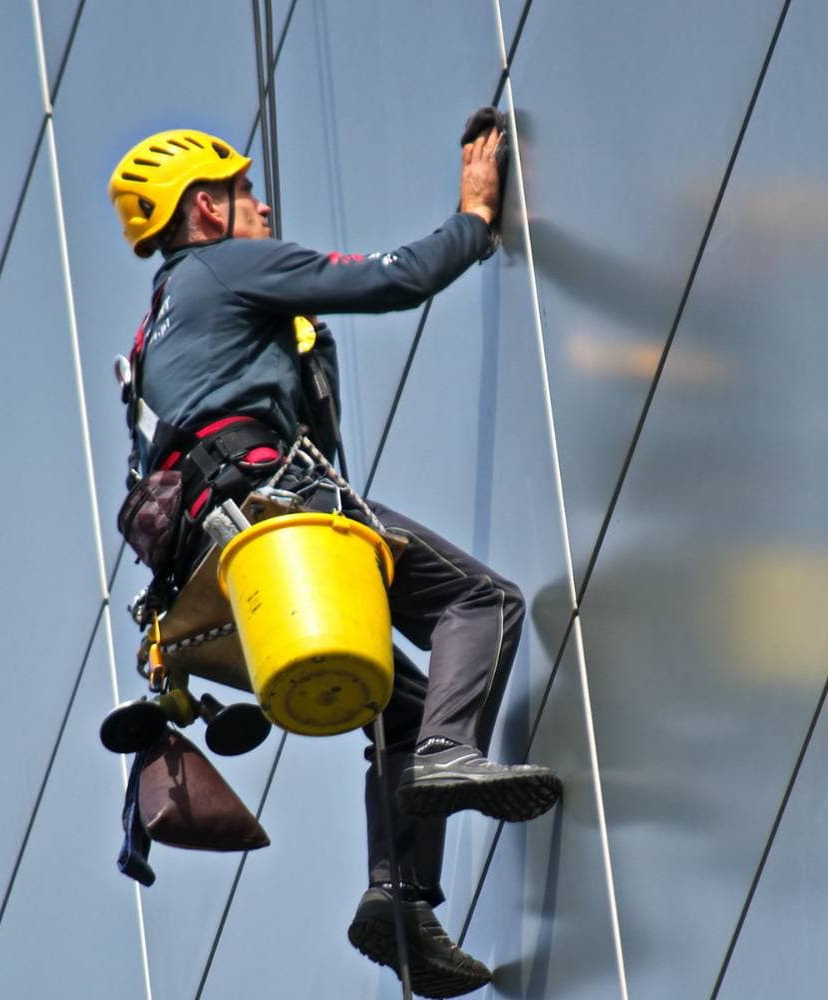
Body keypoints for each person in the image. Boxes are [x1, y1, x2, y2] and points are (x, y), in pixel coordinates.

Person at [105, 124, 560, 997]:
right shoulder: (223, 268)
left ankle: (400, 904)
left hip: (217, 574)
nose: (263, 205)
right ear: (206, 208)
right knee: (484, 604)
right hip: (279, 515)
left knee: (404, 704)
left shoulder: (155, 332)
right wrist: (473, 218)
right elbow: (392, 279)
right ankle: (449, 756)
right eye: (244, 192)